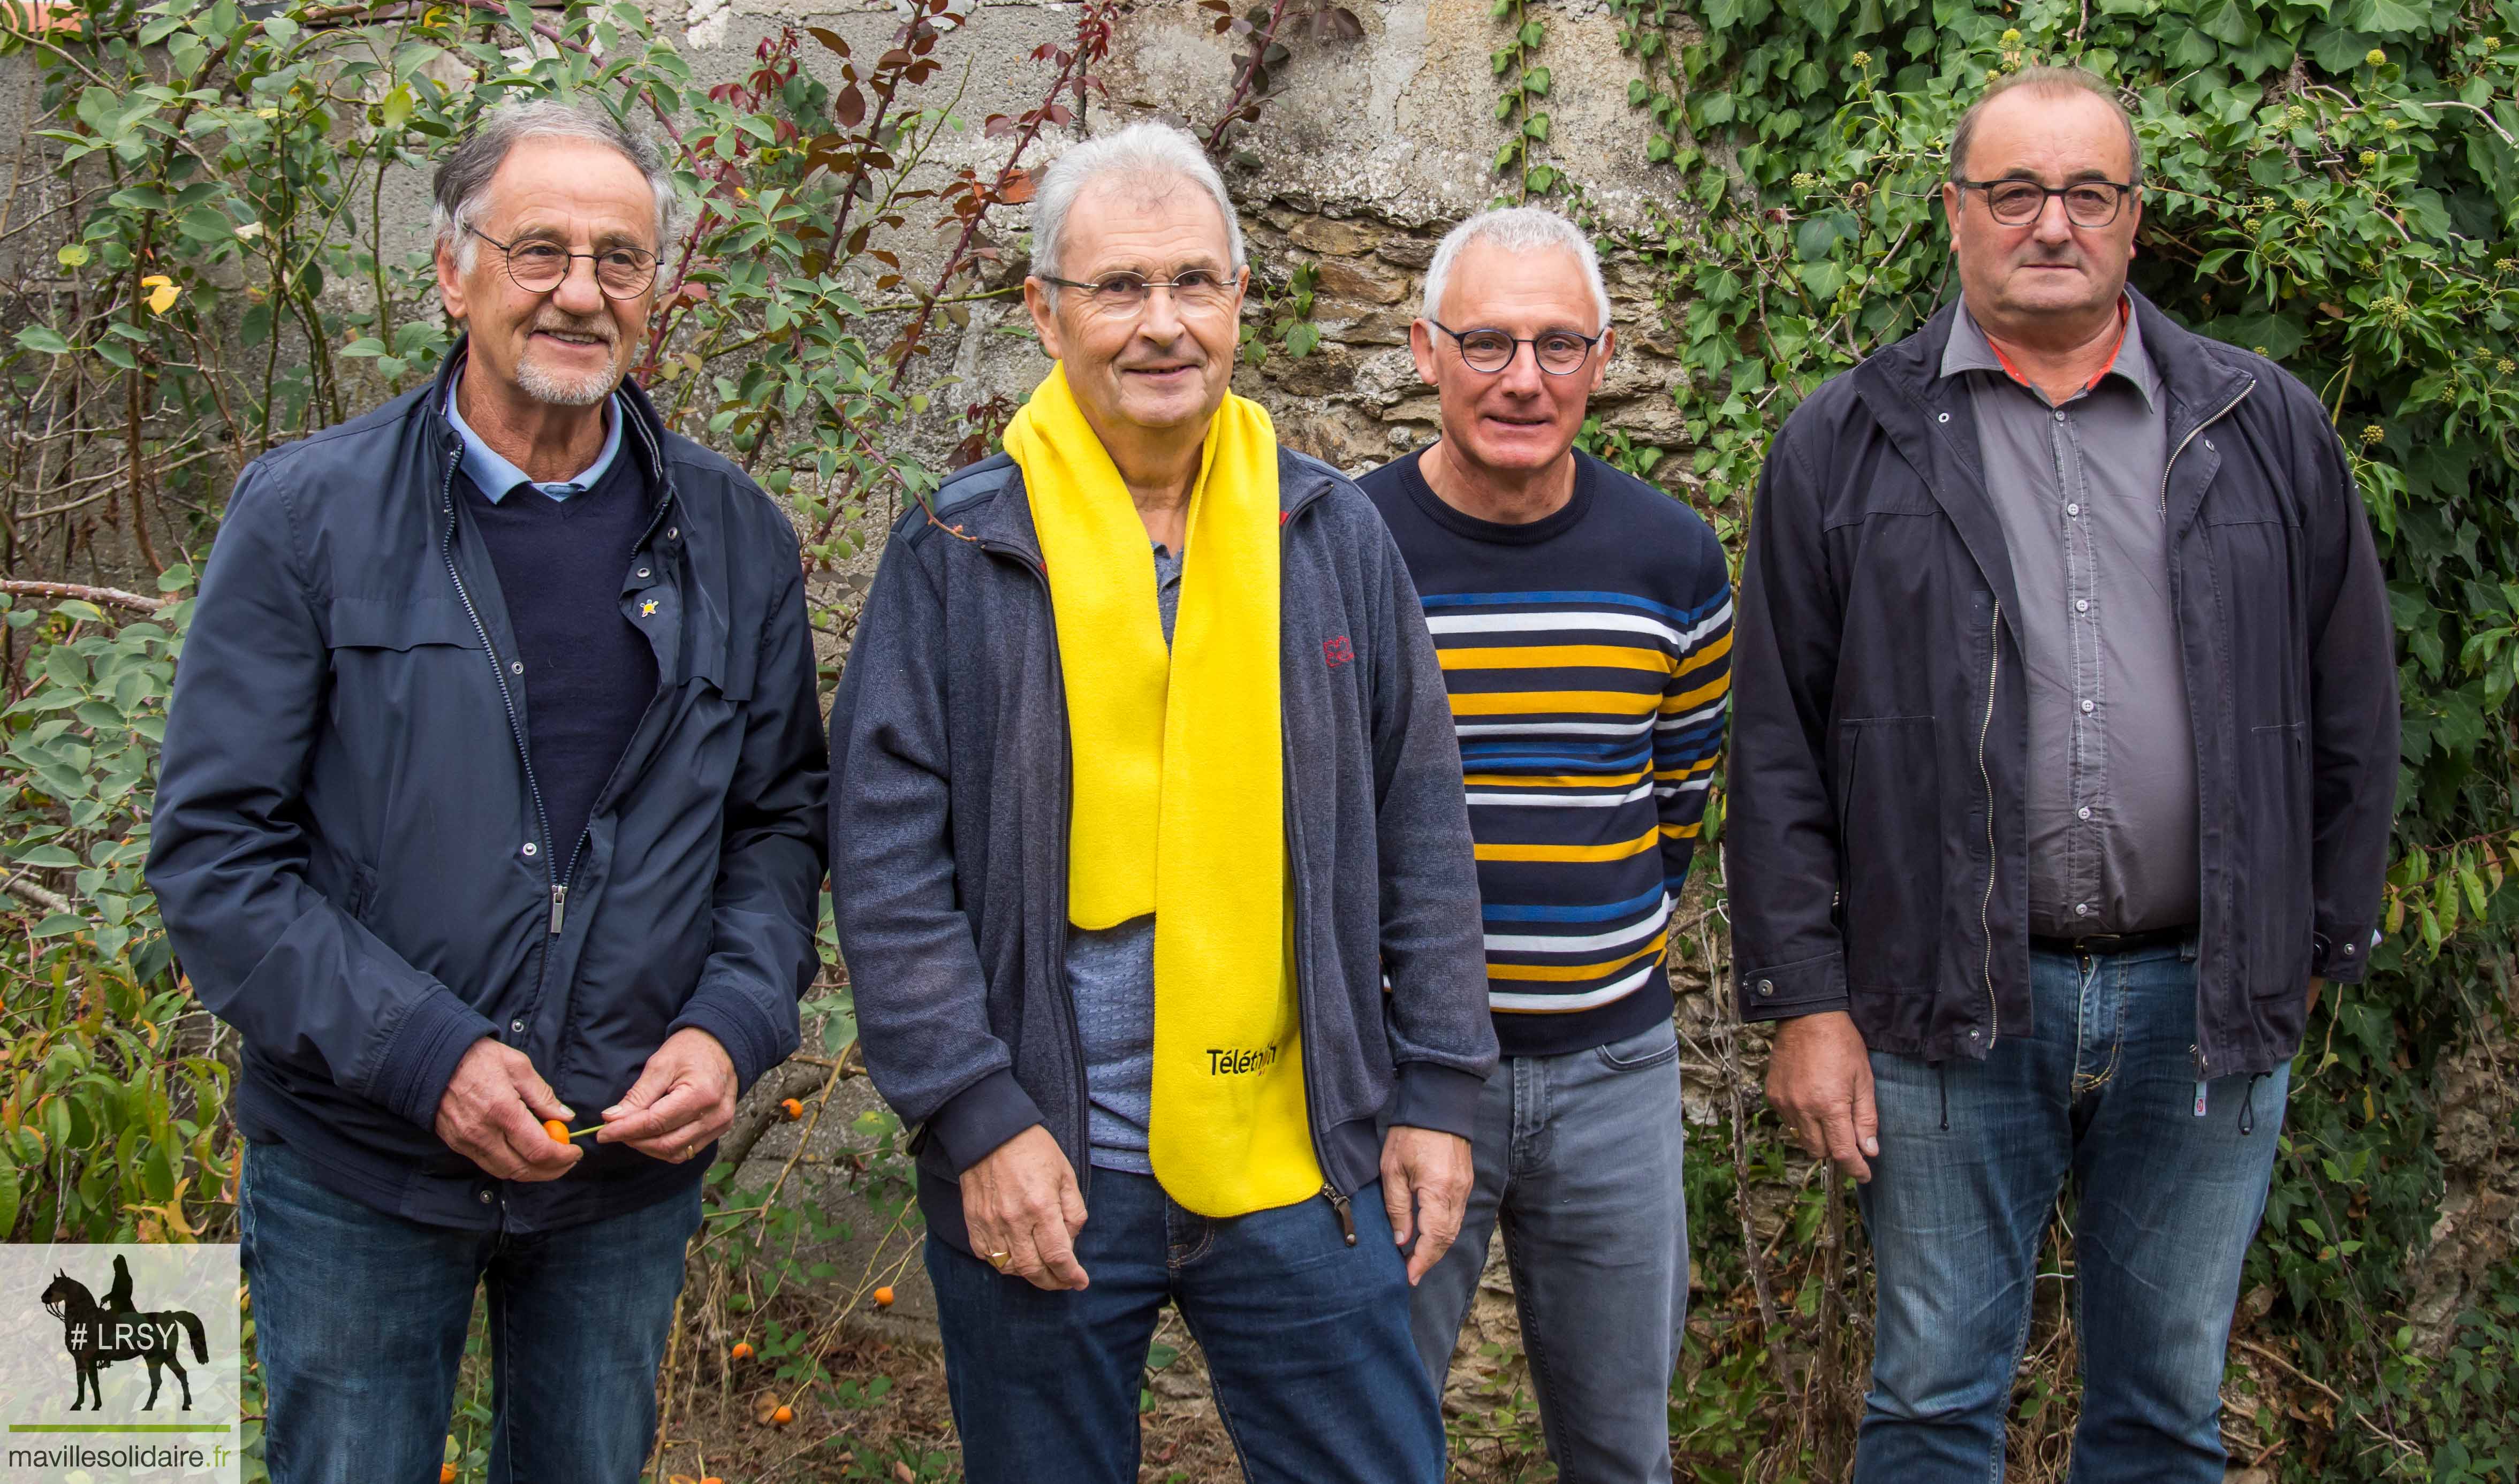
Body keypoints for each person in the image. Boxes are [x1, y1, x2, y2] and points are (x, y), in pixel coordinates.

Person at [1728, 66, 2398, 1481]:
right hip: (1944, 999)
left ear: (2132, 219)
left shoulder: (2261, 424)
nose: (2052, 223)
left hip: (2204, 1001)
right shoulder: (1844, 442)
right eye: (2014, 191)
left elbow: (2350, 700)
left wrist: (2313, 945)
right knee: (1925, 1399)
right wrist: (1804, 1002)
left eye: (2086, 191)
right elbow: (1777, 742)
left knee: (2163, 1404)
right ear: (1954, 214)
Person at [147, 99, 829, 1483]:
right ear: (454, 274)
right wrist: (426, 1055)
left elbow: (777, 823)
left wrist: (733, 1022)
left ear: (656, 294)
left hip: (618, 1183)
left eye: (620, 259)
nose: (582, 290)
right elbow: (219, 857)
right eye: (540, 251)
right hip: (359, 1163)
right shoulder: (308, 515)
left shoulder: (738, 540)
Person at [829, 120, 1496, 1484]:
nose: (1160, 323)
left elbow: (1420, 819)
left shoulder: (1328, 533)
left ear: (1239, 300)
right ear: (1043, 311)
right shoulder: (961, 545)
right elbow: (887, 863)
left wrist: (1438, 1088)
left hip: (1308, 1162)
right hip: (1048, 1164)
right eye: (1118, 287)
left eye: (1194, 282)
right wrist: (975, 1117)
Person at [1357, 207, 1729, 1484]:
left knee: (1622, 1447)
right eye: (1489, 342)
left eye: (1559, 345)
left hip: (1612, 1074)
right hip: (1395, 1080)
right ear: (1424, 350)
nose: (1524, 378)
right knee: (1369, 1441)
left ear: (1603, 357)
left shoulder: (1673, 557)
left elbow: (1678, 804)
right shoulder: (1340, 550)